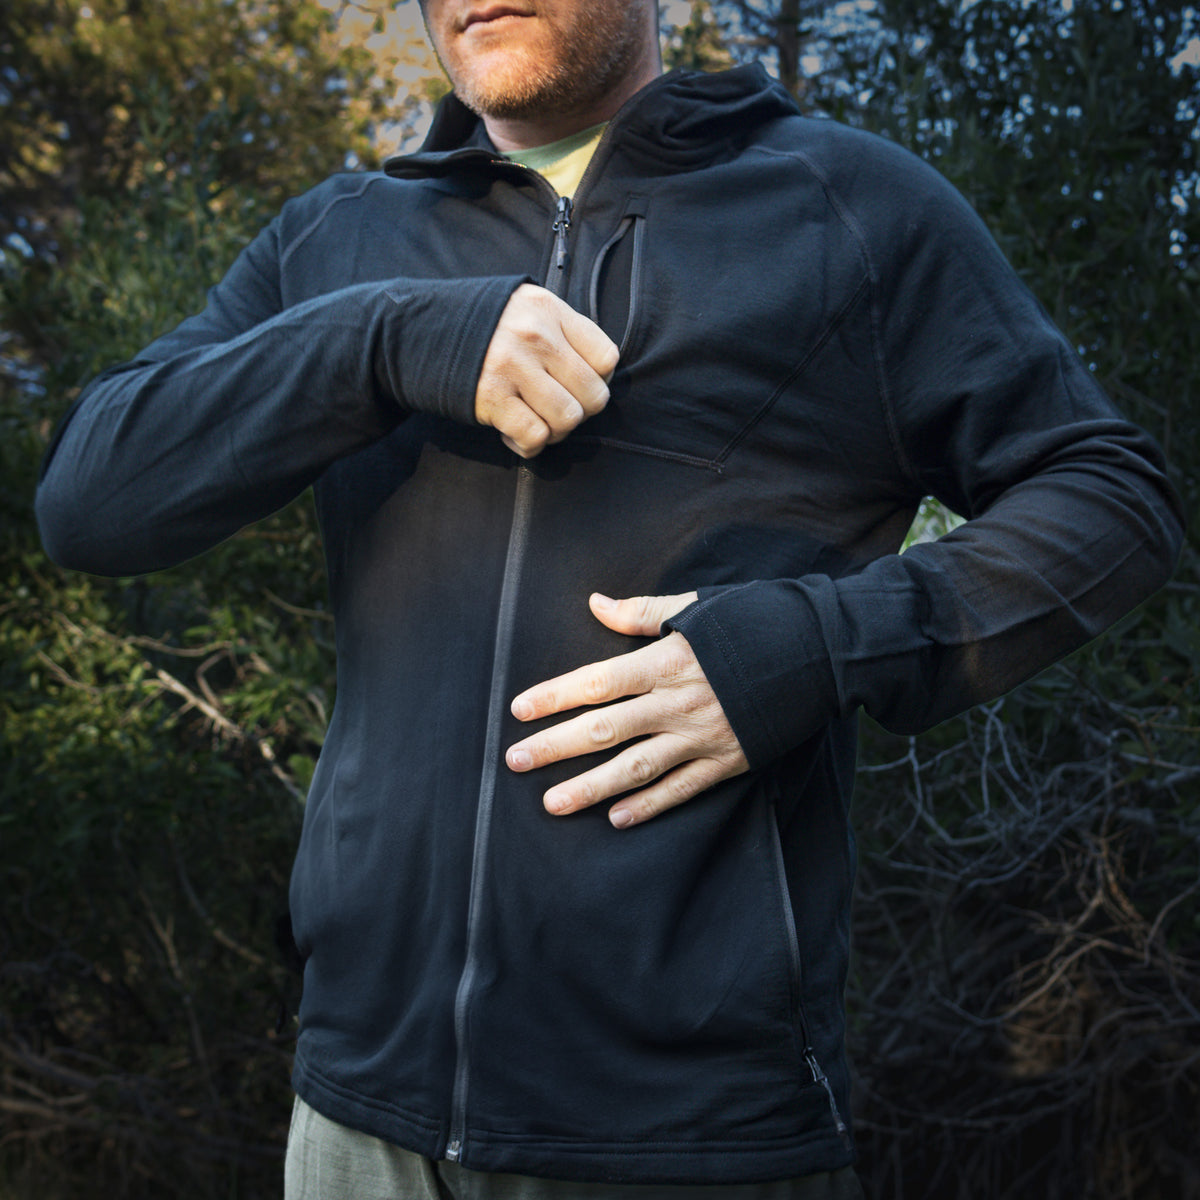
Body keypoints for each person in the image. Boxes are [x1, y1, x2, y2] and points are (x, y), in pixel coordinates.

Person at [36, 0, 1184, 1196]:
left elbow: (1113, 500)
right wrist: (378, 345)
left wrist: (812, 648)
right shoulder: (338, 238)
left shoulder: (848, 206)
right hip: (353, 1122)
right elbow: (92, 498)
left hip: (693, 1137)